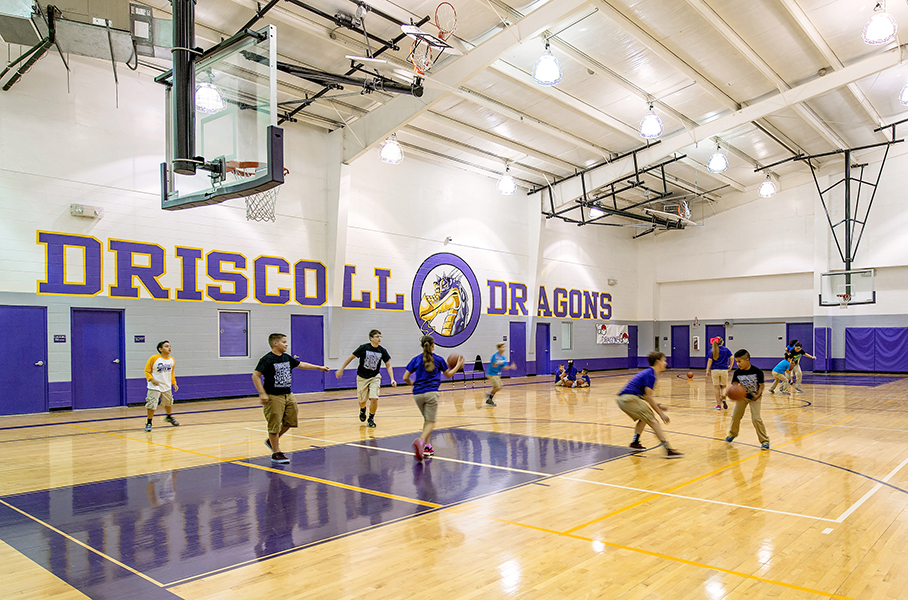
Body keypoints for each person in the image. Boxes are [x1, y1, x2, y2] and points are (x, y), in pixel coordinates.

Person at [253, 333, 330, 464]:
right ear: (275, 343)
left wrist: (319, 368)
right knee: (274, 425)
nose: (286, 344)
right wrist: (262, 393)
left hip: (288, 394)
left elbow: (301, 364)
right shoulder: (267, 359)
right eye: (284, 342)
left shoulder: (286, 358)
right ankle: (276, 453)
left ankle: (270, 441)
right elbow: (255, 375)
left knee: (290, 421)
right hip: (273, 396)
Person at [403, 335, 463, 461]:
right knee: (431, 422)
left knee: (426, 420)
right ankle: (420, 441)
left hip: (417, 394)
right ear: (433, 345)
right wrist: (458, 365)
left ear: (421, 346)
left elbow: (405, 377)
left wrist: (413, 384)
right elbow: (448, 375)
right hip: (431, 393)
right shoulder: (439, 359)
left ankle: (428, 448)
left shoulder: (416, 360)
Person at [615, 352, 684, 458]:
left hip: (623, 399)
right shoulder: (651, 375)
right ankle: (668, 449)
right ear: (657, 361)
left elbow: (645, 396)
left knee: (644, 418)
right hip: (629, 398)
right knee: (653, 420)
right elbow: (649, 397)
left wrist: (658, 406)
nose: (665, 363)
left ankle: (635, 442)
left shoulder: (649, 373)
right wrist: (661, 414)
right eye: (664, 360)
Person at [336, 329, 396, 427]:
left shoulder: (382, 350)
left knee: (374, 398)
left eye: (380, 336)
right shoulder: (363, 348)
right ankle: (362, 409)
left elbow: (388, 365)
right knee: (362, 401)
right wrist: (342, 369)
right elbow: (351, 357)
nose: (379, 338)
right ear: (371, 338)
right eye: (377, 336)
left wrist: (392, 379)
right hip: (362, 377)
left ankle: (371, 419)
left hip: (375, 377)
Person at [726, 349, 770, 450]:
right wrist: (728, 394)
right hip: (742, 397)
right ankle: (733, 433)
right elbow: (734, 386)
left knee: (756, 418)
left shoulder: (757, 371)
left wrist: (757, 395)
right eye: (736, 361)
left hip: (755, 397)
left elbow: (761, 386)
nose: (738, 364)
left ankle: (765, 441)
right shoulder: (737, 373)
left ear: (747, 360)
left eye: (739, 361)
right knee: (735, 416)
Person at [144, 341, 179, 432]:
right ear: (160, 349)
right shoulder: (154, 358)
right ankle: (149, 422)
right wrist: (152, 379)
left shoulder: (172, 360)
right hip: (155, 386)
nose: (169, 348)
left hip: (166, 386)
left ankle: (169, 417)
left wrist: (174, 383)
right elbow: (147, 371)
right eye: (166, 346)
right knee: (152, 404)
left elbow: (171, 373)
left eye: (170, 346)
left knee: (168, 403)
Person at [704, 336, 733, 410]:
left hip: (715, 370)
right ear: (722, 342)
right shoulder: (726, 349)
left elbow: (710, 361)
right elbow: (732, 358)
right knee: (724, 386)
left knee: (716, 388)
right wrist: (731, 366)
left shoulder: (712, 350)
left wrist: (707, 370)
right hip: (724, 370)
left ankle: (718, 405)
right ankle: (723, 398)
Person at [484, 342, 516, 407]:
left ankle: (490, 396)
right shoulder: (495, 355)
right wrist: (499, 362)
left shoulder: (504, 357)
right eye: (502, 347)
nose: (503, 348)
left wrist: (510, 366)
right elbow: (494, 365)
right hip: (491, 373)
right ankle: (490, 397)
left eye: (504, 347)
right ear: (498, 348)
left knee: (499, 387)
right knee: (497, 386)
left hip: (497, 374)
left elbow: (505, 368)